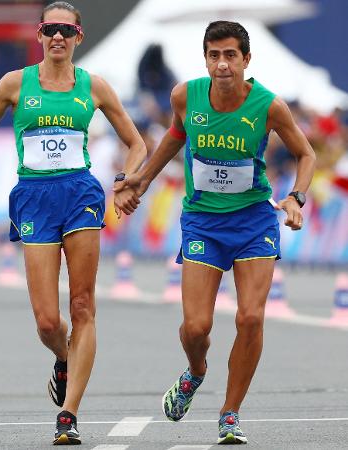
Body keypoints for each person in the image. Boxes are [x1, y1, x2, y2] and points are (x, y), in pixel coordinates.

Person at [0, 1, 146, 445]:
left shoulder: (95, 87)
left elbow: (136, 143)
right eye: (50, 29)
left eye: (66, 30)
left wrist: (126, 181)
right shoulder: (16, 83)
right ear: (39, 35)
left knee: (82, 306)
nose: (58, 36)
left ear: (78, 37)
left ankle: (68, 415)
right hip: (33, 197)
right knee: (49, 322)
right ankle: (63, 358)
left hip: (81, 195)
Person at [115, 21, 316, 445]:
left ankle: (230, 413)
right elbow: (175, 135)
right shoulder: (185, 96)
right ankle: (196, 371)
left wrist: (296, 197)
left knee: (251, 316)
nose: (222, 64)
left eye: (230, 55)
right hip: (203, 221)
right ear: (205, 58)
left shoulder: (268, 105)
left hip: (253, 222)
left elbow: (306, 152)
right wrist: (143, 179)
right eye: (214, 55)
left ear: (246, 59)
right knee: (195, 328)